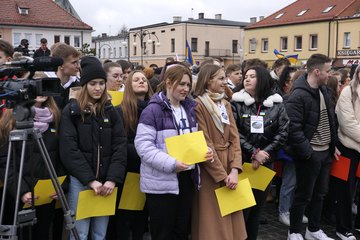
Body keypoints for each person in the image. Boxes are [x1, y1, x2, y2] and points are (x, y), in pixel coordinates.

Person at [134, 64, 213, 240]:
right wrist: (171, 163)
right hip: (161, 182)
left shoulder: (190, 109)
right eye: (182, 84)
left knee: (181, 231)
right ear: (168, 83)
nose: (186, 89)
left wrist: (205, 151)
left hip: (186, 177)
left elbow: (194, 139)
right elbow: (143, 147)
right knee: (163, 232)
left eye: (188, 85)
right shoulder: (152, 110)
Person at [59, 56, 127, 240]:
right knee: (79, 233)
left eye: (101, 83)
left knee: (100, 234)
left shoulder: (111, 111)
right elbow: (69, 150)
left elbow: (119, 146)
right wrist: (90, 180)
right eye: (92, 84)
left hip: (106, 183)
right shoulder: (72, 111)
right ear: (84, 85)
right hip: (81, 182)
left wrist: (111, 179)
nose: (98, 88)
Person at [231, 66, 289, 239]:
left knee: (256, 210)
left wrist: (264, 153)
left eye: (252, 76)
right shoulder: (236, 102)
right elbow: (234, 132)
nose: (246, 79)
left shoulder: (277, 103)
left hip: (265, 163)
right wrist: (253, 152)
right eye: (245, 76)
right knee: (241, 210)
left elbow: (283, 132)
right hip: (242, 162)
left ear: (262, 79)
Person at [286, 54, 338, 240]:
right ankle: (294, 231)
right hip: (310, 154)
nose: (330, 74)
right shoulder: (298, 95)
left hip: (325, 152)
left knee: (320, 194)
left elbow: (330, 121)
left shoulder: (324, 91)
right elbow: (293, 129)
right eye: (327, 70)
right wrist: (308, 153)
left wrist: (333, 146)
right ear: (317, 71)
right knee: (303, 195)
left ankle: (313, 230)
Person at [192, 64, 246, 240]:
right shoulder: (198, 105)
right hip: (211, 170)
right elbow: (204, 143)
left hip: (229, 165)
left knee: (232, 222)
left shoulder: (225, 104)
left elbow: (235, 138)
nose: (225, 82)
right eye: (221, 78)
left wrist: (235, 170)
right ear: (208, 80)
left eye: (224, 78)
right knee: (212, 223)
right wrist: (223, 175)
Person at [0, 94, 62, 240]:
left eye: (44, 87)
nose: (41, 92)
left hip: (46, 194)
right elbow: (4, 162)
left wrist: (60, 186)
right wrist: (22, 192)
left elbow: (62, 156)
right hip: (18, 196)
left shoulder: (56, 119)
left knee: (42, 234)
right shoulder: (11, 120)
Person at [107, 70, 153, 240]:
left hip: (150, 171)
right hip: (129, 170)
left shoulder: (155, 109)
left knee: (142, 216)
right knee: (125, 218)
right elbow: (120, 143)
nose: (141, 81)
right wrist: (147, 152)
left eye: (144, 79)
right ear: (128, 86)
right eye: (136, 80)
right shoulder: (121, 111)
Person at [333, 65, 360, 240]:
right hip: (348, 148)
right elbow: (347, 123)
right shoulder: (348, 92)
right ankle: (343, 228)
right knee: (345, 191)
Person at [47, 43, 81, 110]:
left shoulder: (79, 85)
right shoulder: (46, 85)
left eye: (78, 62)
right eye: (74, 63)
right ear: (61, 65)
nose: (78, 66)